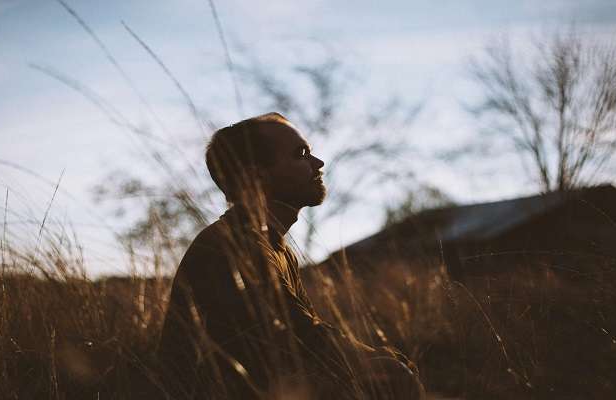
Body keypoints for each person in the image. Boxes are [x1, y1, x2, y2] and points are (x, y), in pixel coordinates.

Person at [158, 113, 424, 399]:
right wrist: (369, 359)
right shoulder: (235, 245)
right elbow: (299, 337)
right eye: (302, 154)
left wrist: (372, 356)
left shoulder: (275, 246)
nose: (318, 163)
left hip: (263, 387)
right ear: (256, 176)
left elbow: (303, 336)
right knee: (391, 378)